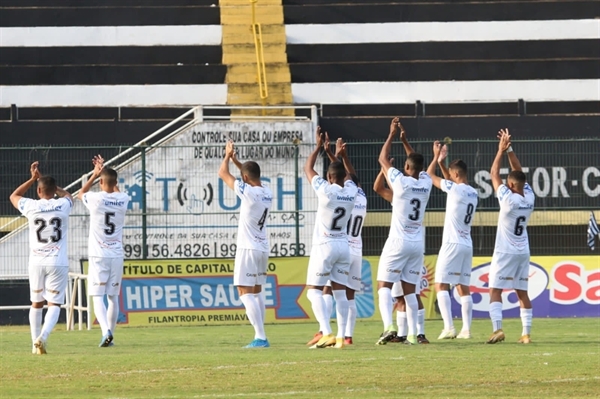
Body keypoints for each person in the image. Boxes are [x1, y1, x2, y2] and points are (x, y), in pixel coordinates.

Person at [375, 117, 432, 345]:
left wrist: (391, 135)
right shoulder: (426, 182)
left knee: (384, 286)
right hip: (417, 244)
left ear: (406, 168)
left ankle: (388, 326)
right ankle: (411, 334)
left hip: (398, 241)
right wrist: (405, 140)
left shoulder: (400, 182)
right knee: (410, 291)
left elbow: (382, 159)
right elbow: (415, 162)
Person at [307, 135, 366, 346]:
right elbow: (350, 176)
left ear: (329, 177)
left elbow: (308, 168)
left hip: (325, 246)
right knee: (341, 294)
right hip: (344, 247)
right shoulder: (352, 192)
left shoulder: (325, 191)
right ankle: (342, 337)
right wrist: (339, 155)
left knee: (314, 291)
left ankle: (326, 332)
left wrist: (317, 148)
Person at [10, 161, 73, 354]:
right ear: (53, 191)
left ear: (38, 191)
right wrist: (55, 188)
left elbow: (14, 196)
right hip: (57, 261)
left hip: (36, 261)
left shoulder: (31, 206)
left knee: (36, 303)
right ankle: (43, 338)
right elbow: (69, 196)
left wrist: (32, 178)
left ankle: (33, 344)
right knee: (54, 303)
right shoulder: (62, 204)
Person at [219, 140, 273, 348]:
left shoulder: (248, 193)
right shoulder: (267, 190)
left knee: (244, 292)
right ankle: (261, 335)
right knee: (257, 292)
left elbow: (222, 174)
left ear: (245, 178)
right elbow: (248, 175)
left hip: (248, 248)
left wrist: (226, 157)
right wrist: (237, 161)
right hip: (262, 247)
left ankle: (260, 337)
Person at [487, 129, 535, 344]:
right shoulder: (530, 197)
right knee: (522, 292)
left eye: (509, 183)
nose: (506, 184)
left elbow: (494, 174)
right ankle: (525, 334)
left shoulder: (508, 199)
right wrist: (510, 150)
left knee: (495, 289)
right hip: (523, 251)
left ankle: (497, 329)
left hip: (505, 250)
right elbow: (518, 172)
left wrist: (500, 151)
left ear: (512, 185)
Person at [426, 141, 479, 340]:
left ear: (456, 175)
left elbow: (429, 177)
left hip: (452, 243)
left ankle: (449, 327)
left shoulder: (455, 190)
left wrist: (435, 158)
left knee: (440, 284)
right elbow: (450, 180)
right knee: (462, 286)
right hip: (467, 244)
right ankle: (466, 330)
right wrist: (443, 163)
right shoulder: (473, 193)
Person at [78, 155, 129, 347]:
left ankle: (105, 331)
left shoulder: (95, 198)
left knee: (97, 296)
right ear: (116, 183)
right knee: (113, 297)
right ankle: (111, 336)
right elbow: (116, 191)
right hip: (116, 254)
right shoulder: (123, 198)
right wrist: (109, 178)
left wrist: (94, 174)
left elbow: (80, 193)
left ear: (100, 182)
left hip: (98, 254)